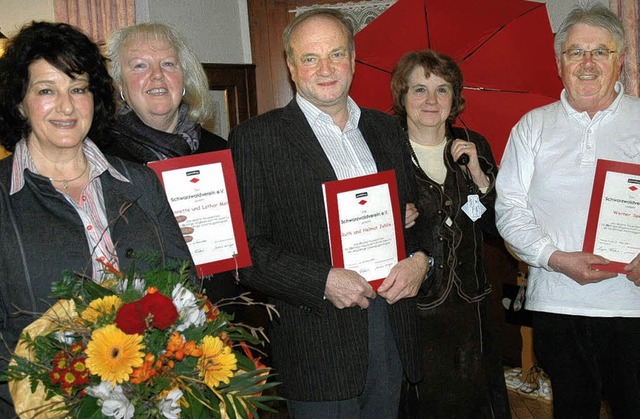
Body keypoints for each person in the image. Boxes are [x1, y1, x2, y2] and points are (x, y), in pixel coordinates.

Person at [228, 8, 430, 418]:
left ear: (353, 61)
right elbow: (246, 252)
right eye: (310, 58)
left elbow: (417, 217)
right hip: (317, 342)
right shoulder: (256, 139)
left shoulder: (386, 130)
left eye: (336, 54)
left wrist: (422, 261)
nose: (325, 68)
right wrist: (323, 281)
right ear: (290, 66)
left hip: (392, 331)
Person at [0, 21, 192, 417]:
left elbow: (182, 288)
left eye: (78, 89)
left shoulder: (140, 182)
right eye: (46, 91)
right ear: (19, 102)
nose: (66, 107)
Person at [495, 4, 640, 418]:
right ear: (560, 63)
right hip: (558, 305)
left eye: (601, 51)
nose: (588, 63)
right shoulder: (533, 127)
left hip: (632, 305)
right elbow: (509, 210)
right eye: (576, 52)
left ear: (621, 60)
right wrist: (556, 259)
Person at [390, 50, 510, 418]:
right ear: (403, 96)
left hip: (471, 304)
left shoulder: (476, 146)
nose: (430, 100)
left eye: (442, 90)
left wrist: (480, 177)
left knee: (477, 401)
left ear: (454, 98)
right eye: (419, 89)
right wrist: (396, 219)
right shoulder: (385, 151)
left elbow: (497, 226)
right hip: (416, 305)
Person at [103, 22, 226, 163]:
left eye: (168, 64)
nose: (157, 74)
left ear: (185, 78)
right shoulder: (101, 159)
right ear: (119, 84)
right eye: (140, 65)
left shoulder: (221, 152)